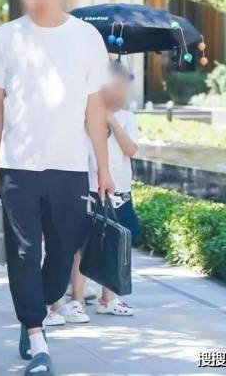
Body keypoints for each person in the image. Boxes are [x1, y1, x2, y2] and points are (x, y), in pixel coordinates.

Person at [0, 0, 114, 376]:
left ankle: (36, 305)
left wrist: (103, 168)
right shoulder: (7, 36)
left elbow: (95, 107)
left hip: (69, 166)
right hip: (19, 165)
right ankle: (36, 336)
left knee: (64, 250)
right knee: (23, 251)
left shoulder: (86, 37)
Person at [67, 61, 140, 320]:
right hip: (91, 190)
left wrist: (112, 119)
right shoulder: (86, 115)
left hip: (120, 193)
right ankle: (76, 299)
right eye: (116, 88)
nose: (121, 94)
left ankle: (108, 298)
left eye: (124, 89)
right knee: (84, 247)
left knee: (114, 244)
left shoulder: (127, 118)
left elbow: (131, 150)